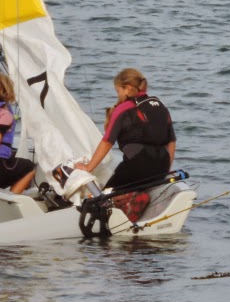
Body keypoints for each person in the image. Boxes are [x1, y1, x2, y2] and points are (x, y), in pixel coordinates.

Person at [72, 68, 176, 222]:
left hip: (138, 166)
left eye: (118, 90)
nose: (118, 95)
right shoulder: (160, 105)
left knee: (105, 195)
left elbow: (107, 142)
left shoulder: (124, 108)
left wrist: (88, 168)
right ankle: (133, 197)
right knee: (132, 180)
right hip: (161, 166)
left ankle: (129, 203)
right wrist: (165, 171)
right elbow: (171, 142)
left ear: (127, 88)